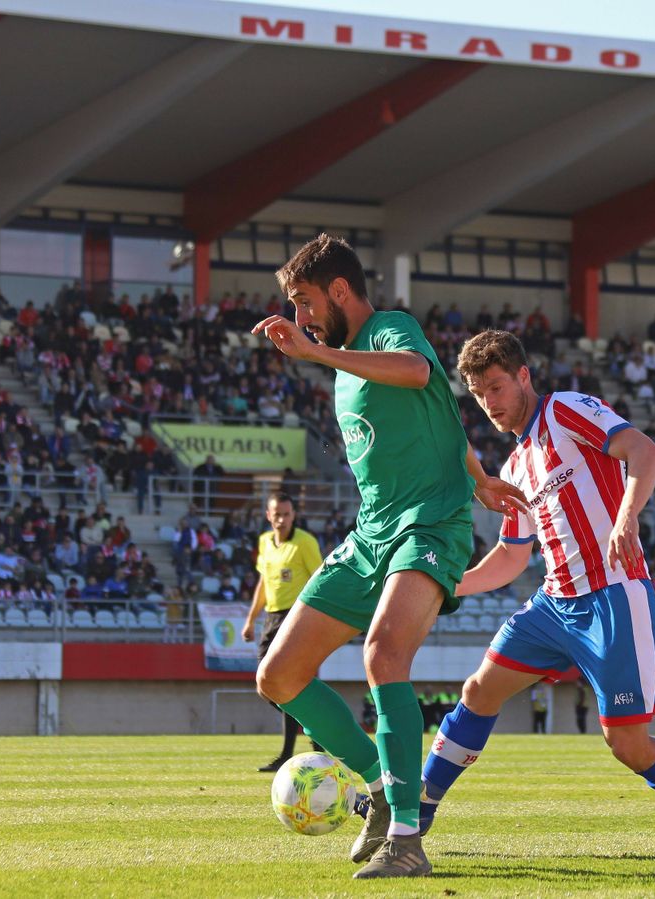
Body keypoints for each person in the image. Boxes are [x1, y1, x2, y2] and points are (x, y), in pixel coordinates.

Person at [250, 235, 526, 880]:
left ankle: (408, 838)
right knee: (278, 676)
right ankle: (380, 785)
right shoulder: (348, 364)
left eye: (305, 302)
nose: (301, 317)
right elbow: (440, 415)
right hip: (372, 533)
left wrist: (315, 351)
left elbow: (420, 374)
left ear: (339, 290)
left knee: (383, 655)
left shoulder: (390, 331)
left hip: (431, 523)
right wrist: (480, 472)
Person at [415, 329, 655, 857]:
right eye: (479, 394)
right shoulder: (512, 468)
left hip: (613, 596)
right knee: (478, 692)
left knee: (626, 744)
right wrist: (446, 583)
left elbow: (643, 451)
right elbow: (512, 559)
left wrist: (626, 518)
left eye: (496, 387)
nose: (490, 403)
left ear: (523, 377)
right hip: (553, 604)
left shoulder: (565, 411)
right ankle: (414, 812)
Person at [243, 491, 325, 772]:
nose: (281, 519)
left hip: (298, 617)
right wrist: (250, 620)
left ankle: (296, 753)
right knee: (267, 686)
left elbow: (321, 580)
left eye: (287, 514)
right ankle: (316, 729)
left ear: (293, 515)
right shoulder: (265, 542)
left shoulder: (305, 543)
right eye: (276, 514)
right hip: (271, 618)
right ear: (268, 515)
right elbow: (264, 582)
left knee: (291, 683)